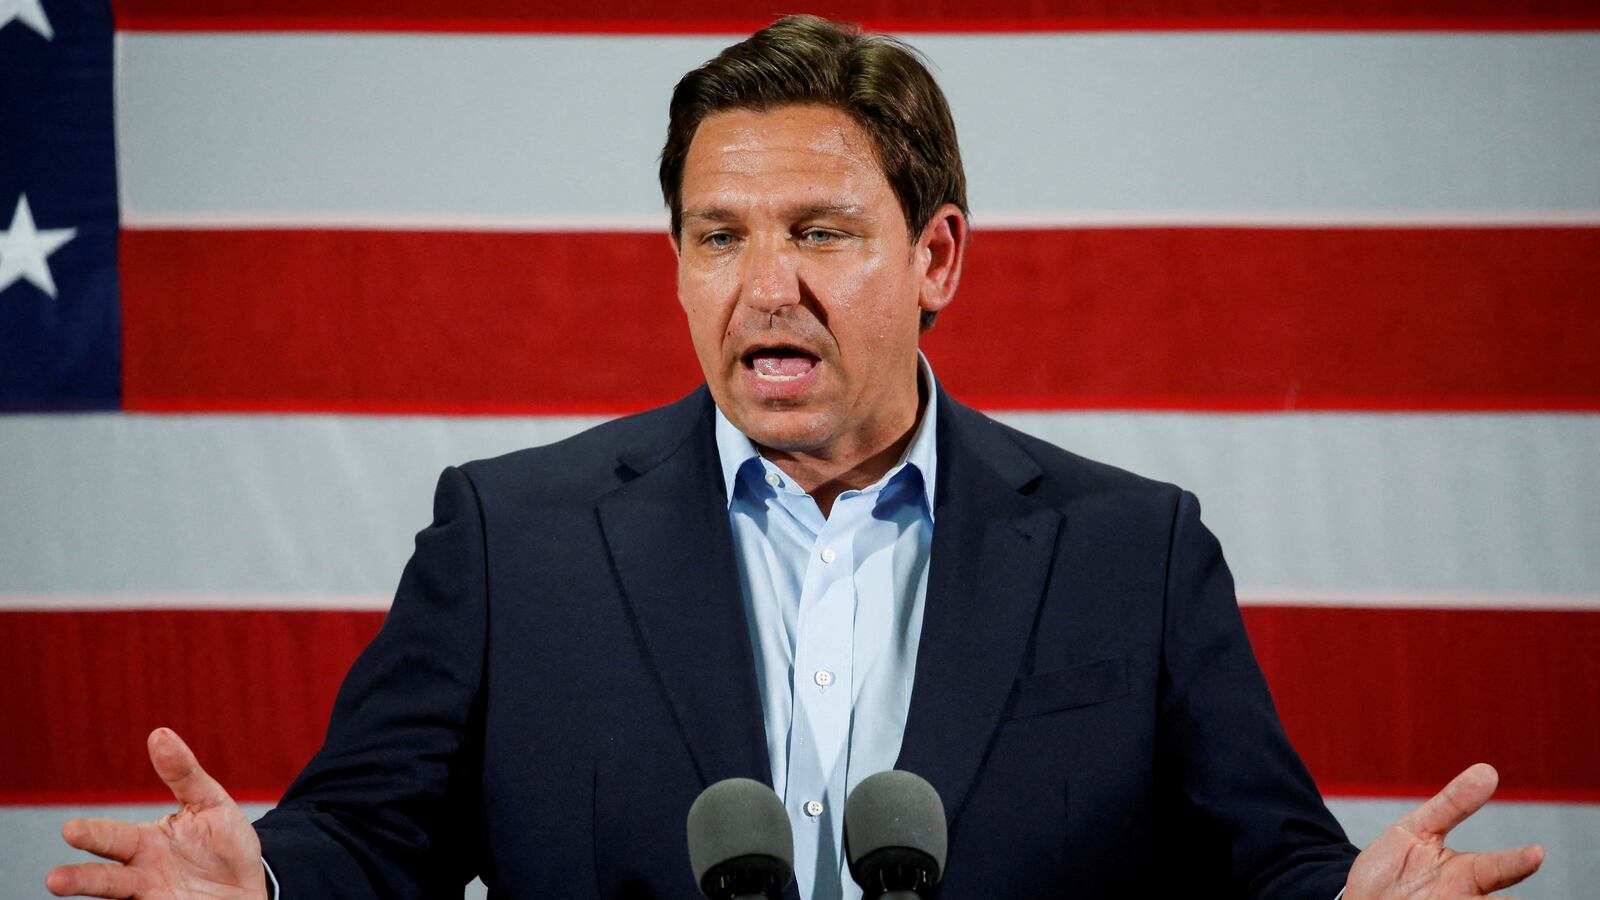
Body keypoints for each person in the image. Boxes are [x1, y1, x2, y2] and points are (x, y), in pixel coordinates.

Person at [47, 15, 1544, 900]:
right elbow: (373, 839)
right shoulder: (512, 538)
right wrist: (269, 882)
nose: (767, 286)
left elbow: (1264, 866)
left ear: (936, 256)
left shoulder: (1130, 552)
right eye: (719, 238)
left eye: (821, 231)